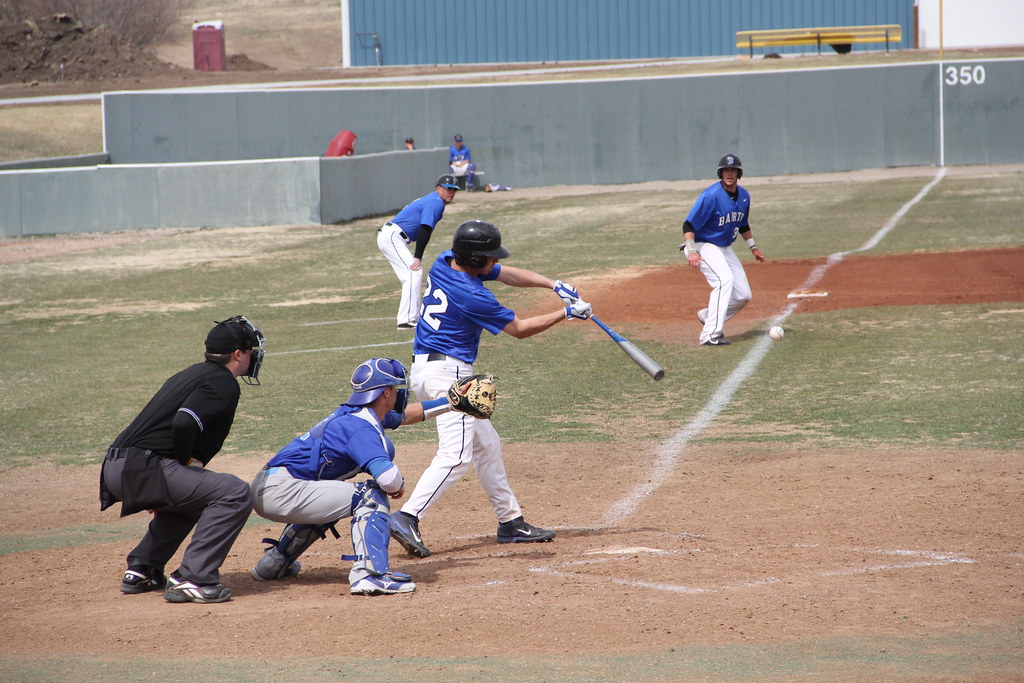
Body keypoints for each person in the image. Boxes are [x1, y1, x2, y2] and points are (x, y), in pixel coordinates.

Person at [389, 220, 593, 558]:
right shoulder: (472, 295)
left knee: (487, 444)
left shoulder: (446, 261)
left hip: (426, 369)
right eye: (490, 257)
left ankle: (510, 521)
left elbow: (506, 273)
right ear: (474, 260)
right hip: (450, 375)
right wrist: (566, 312)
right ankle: (408, 517)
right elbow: (520, 329)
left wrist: (553, 284)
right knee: (456, 456)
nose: (495, 261)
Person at [249, 358, 487, 595]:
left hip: (271, 487)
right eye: (395, 387)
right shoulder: (360, 428)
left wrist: (449, 403)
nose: (399, 392)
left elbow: (405, 415)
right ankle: (369, 575)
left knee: (331, 493)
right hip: (281, 492)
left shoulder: (358, 414)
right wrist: (399, 484)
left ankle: (274, 563)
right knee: (369, 495)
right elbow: (389, 480)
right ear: (385, 392)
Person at [99, 316, 265, 604]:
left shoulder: (190, 374)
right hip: (144, 467)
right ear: (238, 354)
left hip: (117, 467)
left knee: (196, 497)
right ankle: (193, 578)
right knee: (234, 493)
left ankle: (143, 568)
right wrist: (184, 460)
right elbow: (184, 422)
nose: (254, 356)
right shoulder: (222, 382)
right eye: (251, 350)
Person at [679, 153, 765, 346]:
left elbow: (742, 224)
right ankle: (709, 335)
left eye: (733, 170)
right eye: (726, 170)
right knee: (724, 280)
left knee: (743, 295)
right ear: (721, 173)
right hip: (702, 245)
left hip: (723, 248)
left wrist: (753, 248)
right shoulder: (710, 196)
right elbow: (688, 225)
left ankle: (707, 316)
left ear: (738, 173)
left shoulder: (744, 196)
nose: (729, 173)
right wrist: (691, 251)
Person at [378, 174, 461, 329]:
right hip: (392, 237)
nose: (451, 192)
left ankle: (408, 318)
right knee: (413, 272)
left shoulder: (434, 200)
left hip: (392, 236)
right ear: (438, 188)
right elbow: (425, 229)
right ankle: (407, 320)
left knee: (411, 274)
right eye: (448, 188)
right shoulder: (435, 202)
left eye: (454, 190)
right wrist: (418, 257)